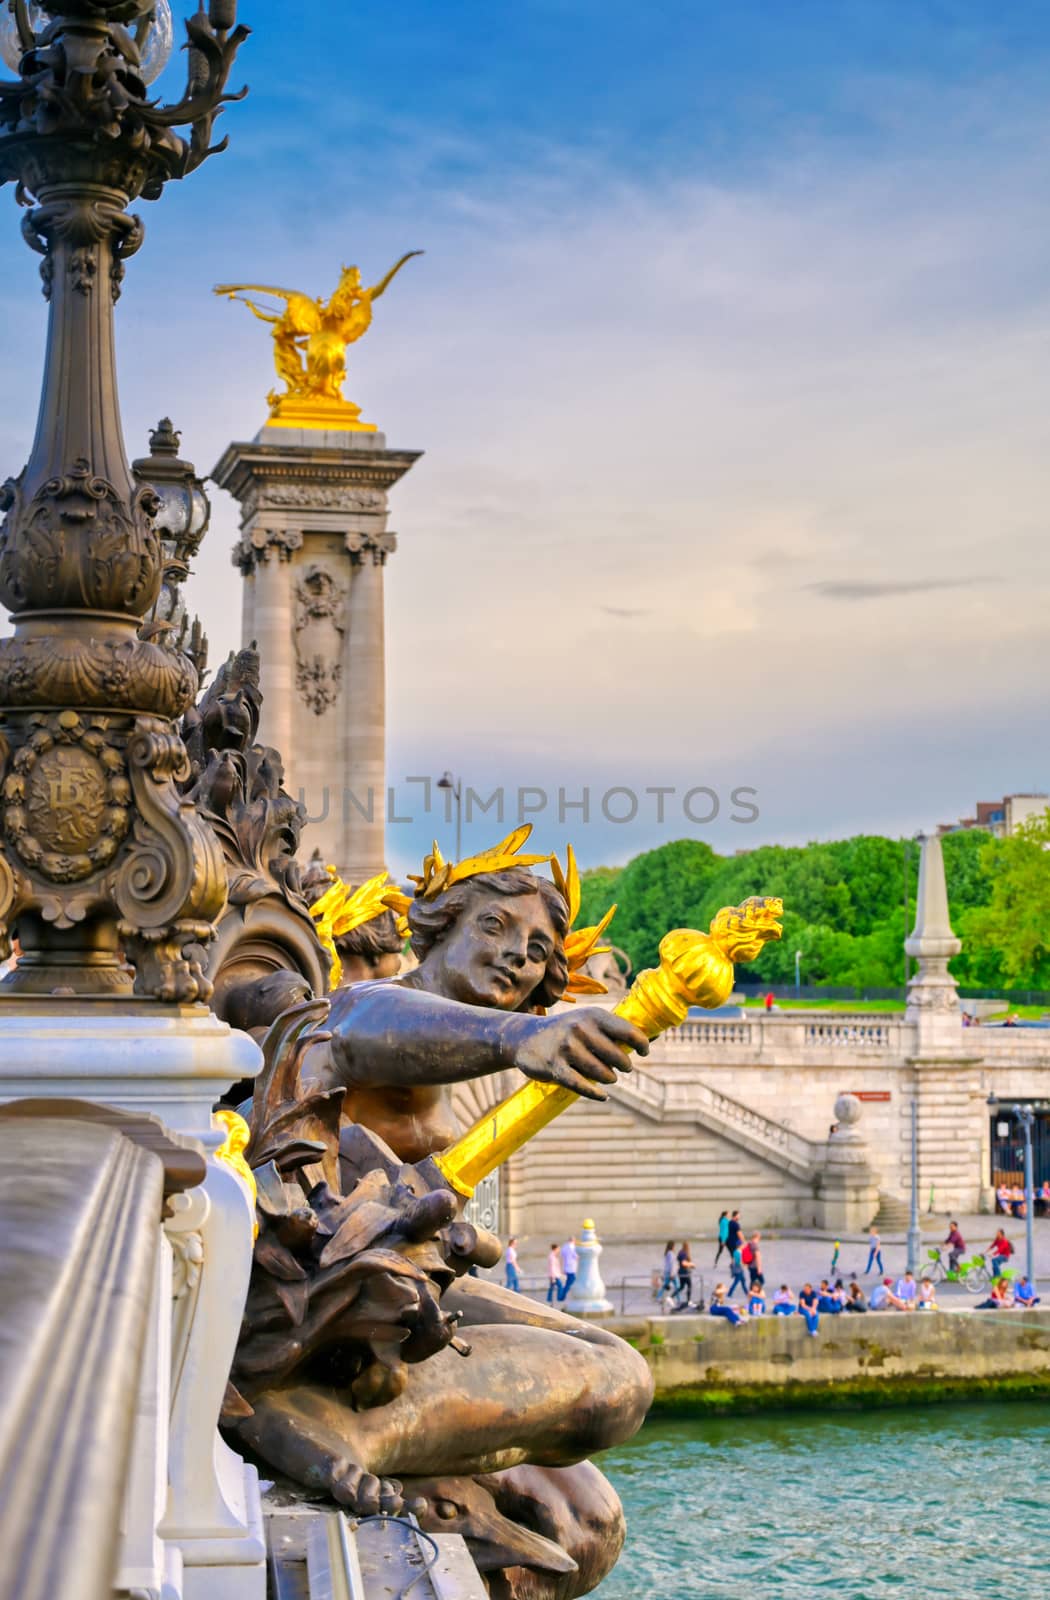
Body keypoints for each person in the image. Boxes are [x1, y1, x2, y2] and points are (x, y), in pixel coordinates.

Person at [558, 1235, 578, 1301]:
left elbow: (561, 1257)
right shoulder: (572, 1247)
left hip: (566, 1267)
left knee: (569, 1283)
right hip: (572, 1268)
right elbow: (576, 1257)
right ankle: (562, 1296)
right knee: (571, 1282)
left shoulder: (564, 1247)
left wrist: (561, 1268)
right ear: (573, 1241)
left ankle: (562, 1296)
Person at [676, 1241, 695, 1307]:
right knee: (689, 1285)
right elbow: (683, 1263)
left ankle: (671, 1297)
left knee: (682, 1287)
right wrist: (691, 1264)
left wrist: (691, 1266)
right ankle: (689, 1301)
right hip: (684, 1272)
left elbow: (682, 1262)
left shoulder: (680, 1252)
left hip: (681, 1272)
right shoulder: (683, 1253)